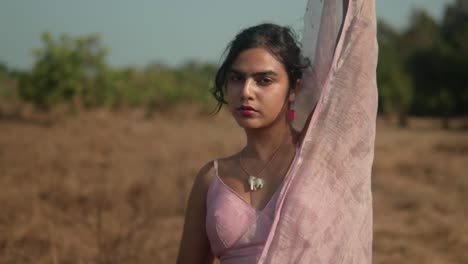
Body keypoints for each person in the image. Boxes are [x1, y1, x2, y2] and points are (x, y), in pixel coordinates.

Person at [178, 0, 377, 263]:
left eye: (264, 80)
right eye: (237, 78)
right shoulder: (211, 178)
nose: (246, 92)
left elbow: (354, 55)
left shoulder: (321, 163)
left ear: (293, 89)